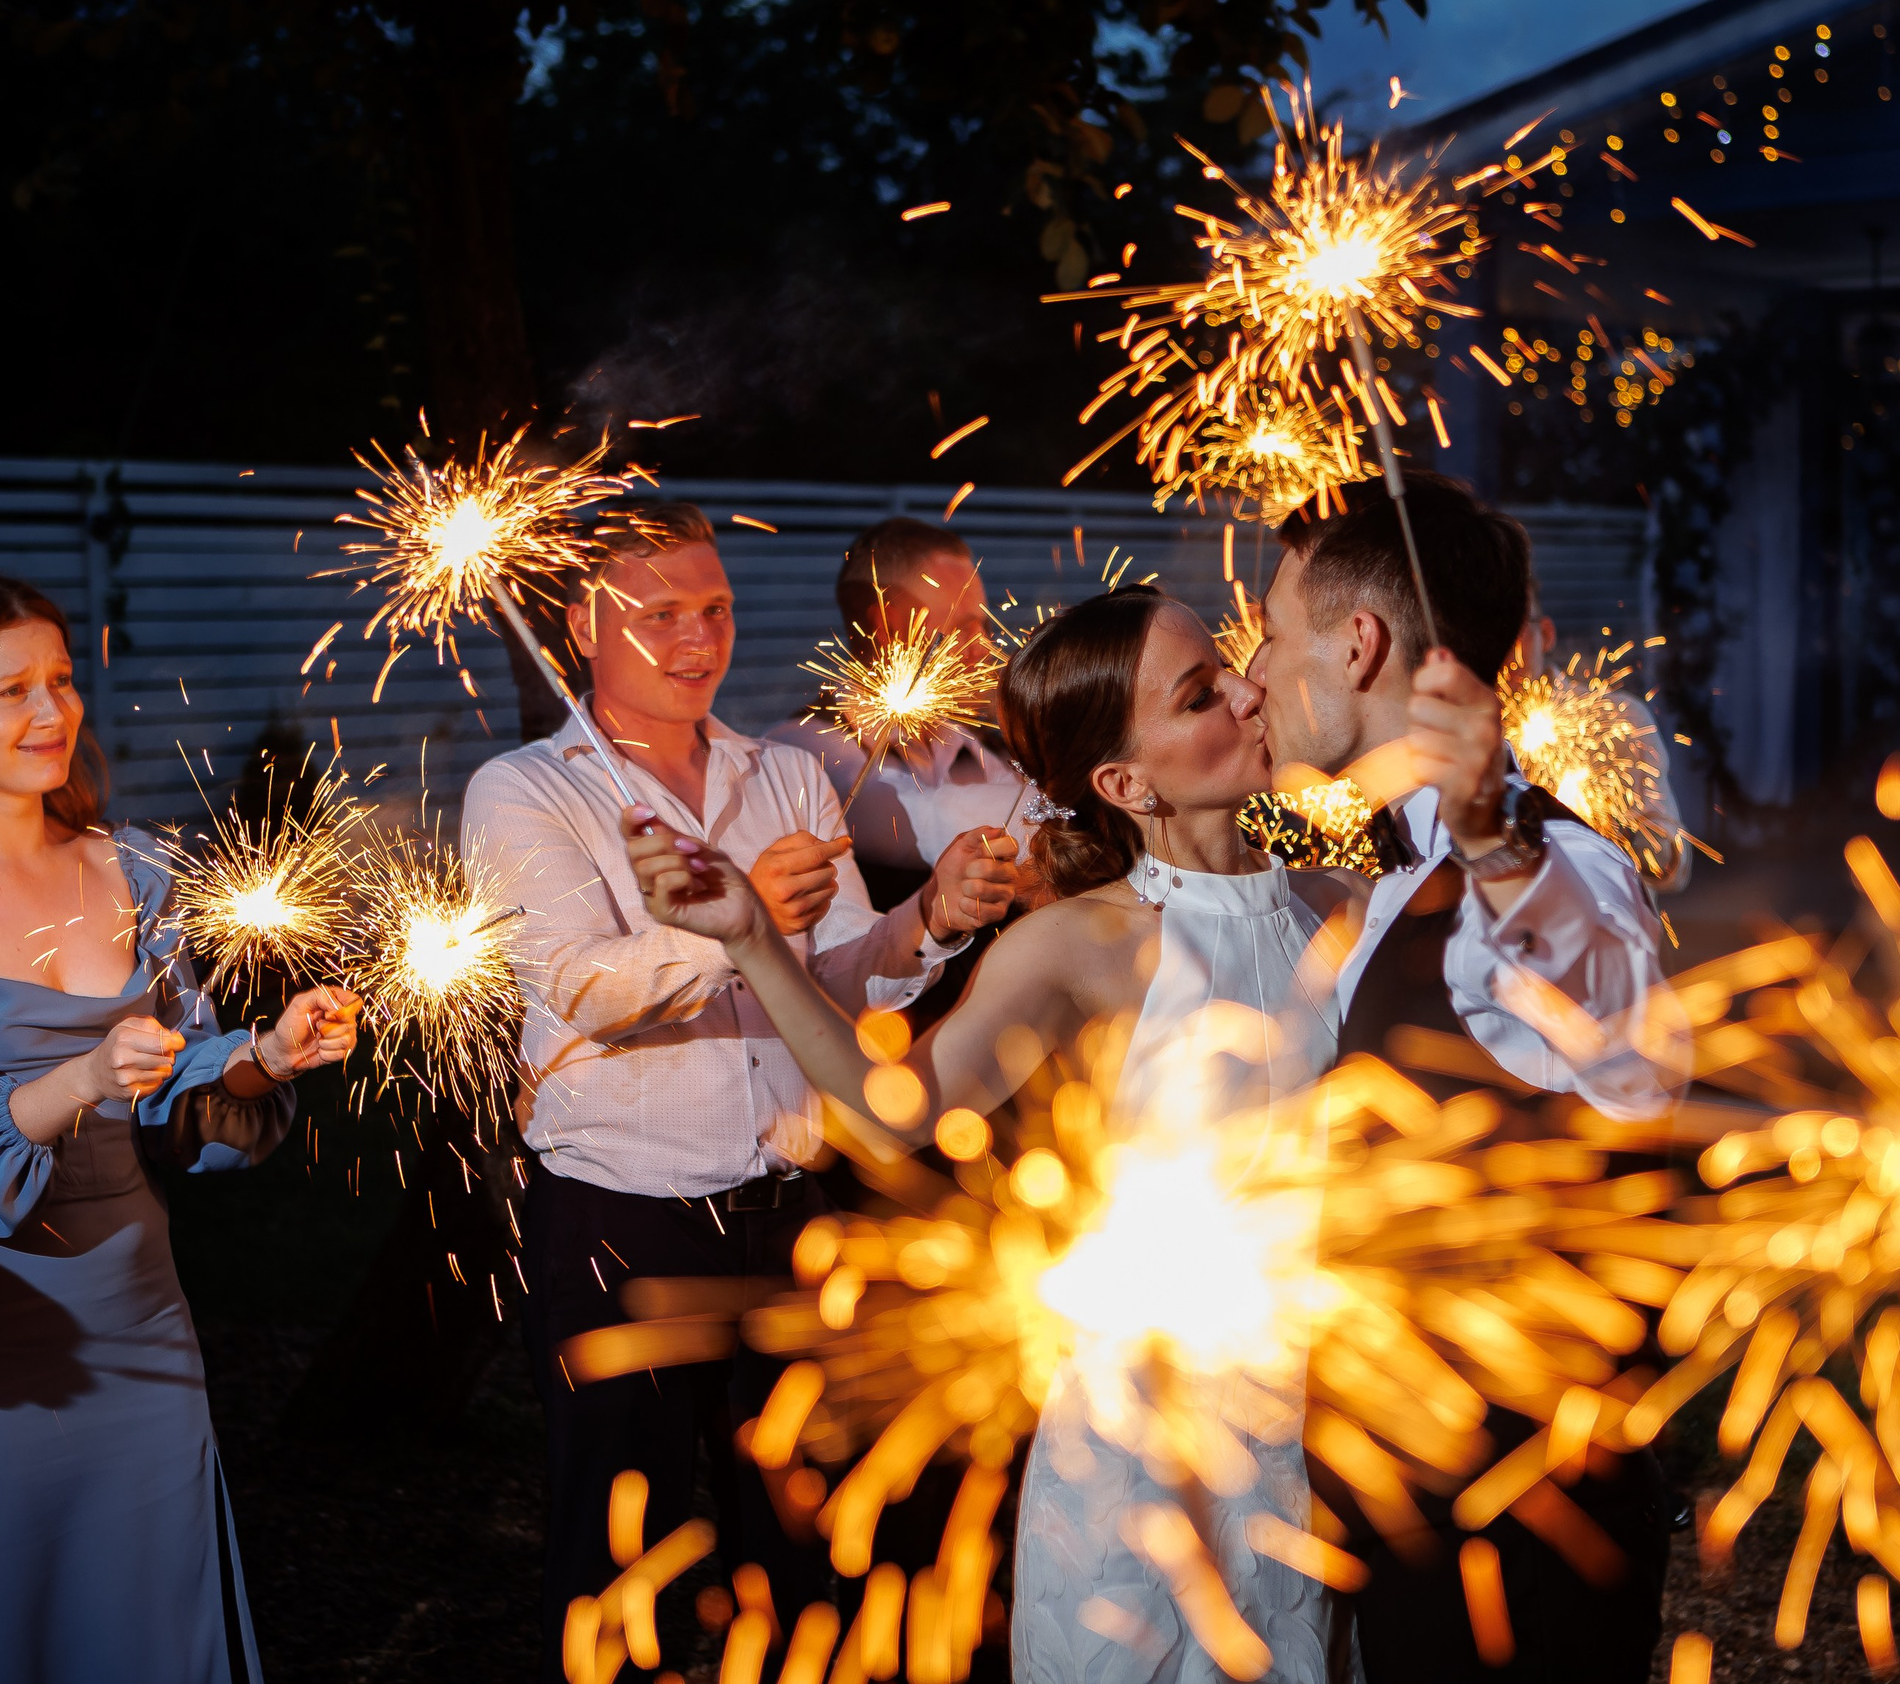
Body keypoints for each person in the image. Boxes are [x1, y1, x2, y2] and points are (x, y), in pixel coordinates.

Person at [622, 581, 1560, 1682]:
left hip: (1327, 1396)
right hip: (1153, 1420)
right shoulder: (1080, 942)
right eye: (1203, 692)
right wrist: (752, 942)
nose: (1252, 694)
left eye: (1231, 669)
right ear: (1126, 779)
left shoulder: (1347, 903)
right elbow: (897, 1115)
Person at [459, 504, 1020, 1644]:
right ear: (581, 625)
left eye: (711, 609)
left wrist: (929, 915)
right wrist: (740, 921)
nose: (695, 636)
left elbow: (843, 978)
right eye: (657, 613)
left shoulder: (782, 778)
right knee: (627, 1559)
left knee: (809, 1546)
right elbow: (581, 985)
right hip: (623, 1225)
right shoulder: (525, 788)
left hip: (790, 1216)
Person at [0, 572, 357, 1684]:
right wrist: (85, 1070)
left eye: (62, 681)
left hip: (145, 1335)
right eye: (12, 692)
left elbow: (184, 1105)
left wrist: (262, 1055)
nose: (52, 713)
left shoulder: (137, 865)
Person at [1252, 477, 1678, 1682]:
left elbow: (1632, 1058)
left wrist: (1496, 840)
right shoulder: (1372, 839)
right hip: (1392, 1470)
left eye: (1273, 635)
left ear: (1358, 644)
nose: (1255, 672)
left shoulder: (1552, 866)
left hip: (1518, 1502)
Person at [767, 517, 1033, 1024]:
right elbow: (917, 823)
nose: (984, 649)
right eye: (962, 626)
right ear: (889, 623)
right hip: (881, 1060)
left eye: (984, 625)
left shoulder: (992, 750)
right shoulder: (801, 751)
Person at [1513, 588, 1691, 895]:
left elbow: (1673, 869)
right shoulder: (1465, 737)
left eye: (1511, 629)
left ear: (1545, 633)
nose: (1498, 649)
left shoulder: (1615, 720)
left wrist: (1618, 829)